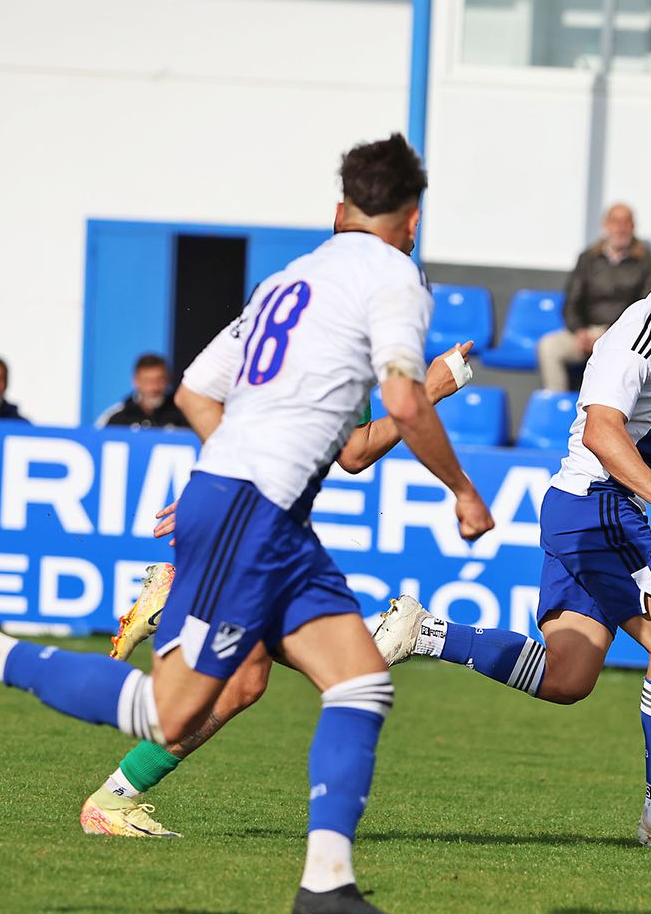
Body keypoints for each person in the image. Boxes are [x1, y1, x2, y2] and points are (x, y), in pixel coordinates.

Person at [0, 133, 496, 914]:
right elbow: (406, 401)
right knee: (163, 710)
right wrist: (461, 488)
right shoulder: (395, 277)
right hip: (254, 514)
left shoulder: (291, 279)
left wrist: (231, 475)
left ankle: (328, 889)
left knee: (357, 681)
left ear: (338, 210)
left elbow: (199, 392)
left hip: (257, 510)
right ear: (411, 220)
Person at [370, 203, 651, 856]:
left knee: (568, 676)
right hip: (597, 505)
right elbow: (604, 433)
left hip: (589, 508)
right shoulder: (643, 333)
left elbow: (647, 437)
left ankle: (426, 632)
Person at [78, 339, 478, 839]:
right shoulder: (342, 342)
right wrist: (428, 393)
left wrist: (212, 490)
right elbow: (355, 453)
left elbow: (210, 403)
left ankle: (113, 798)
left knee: (245, 684)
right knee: (357, 666)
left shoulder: (288, 328)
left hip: (243, 514)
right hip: (260, 526)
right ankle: (329, 873)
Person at [537, 203, 651, 391]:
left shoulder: (647, 263)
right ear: (605, 225)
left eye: (626, 222)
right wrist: (579, 331)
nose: (621, 227)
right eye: (615, 221)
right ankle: (557, 408)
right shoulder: (587, 258)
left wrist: (609, 335)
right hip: (585, 333)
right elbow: (571, 302)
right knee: (549, 347)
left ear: (633, 227)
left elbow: (645, 309)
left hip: (622, 336)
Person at [96, 354, 191, 429]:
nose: (154, 387)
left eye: (159, 380)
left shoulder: (184, 415)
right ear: (135, 381)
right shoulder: (117, 418)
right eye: (147, 381)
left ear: (168, 380)